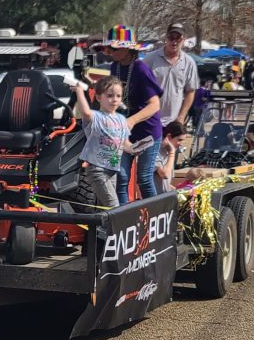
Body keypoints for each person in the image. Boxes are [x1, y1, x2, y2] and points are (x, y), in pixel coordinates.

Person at [103, 24, 163, 204]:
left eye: (114, 47)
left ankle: (154, 217)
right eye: (109, 47)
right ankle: (124, 221)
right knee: (121, 178)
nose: (110, 51)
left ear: (127, 49)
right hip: (124, 132)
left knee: (144, 179)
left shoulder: (141, 69)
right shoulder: (114, 67)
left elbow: (155, 105)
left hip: (147, 132)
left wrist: (131, 120)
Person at [67, 76, 131, 208]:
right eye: (109, 96)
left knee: (104, 208)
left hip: (112, 169)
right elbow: (85, 112)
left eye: (118, 96)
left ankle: (99, 229)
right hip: (97, 169)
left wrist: (137, 148)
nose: (114, 99)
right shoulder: (96, 117)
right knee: (113, 207)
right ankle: (110, 229)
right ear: (98, 98)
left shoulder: (121, 119)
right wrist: (79, 91)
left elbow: (125, 144)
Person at [146, 23, 198, 127]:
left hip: (173, 123)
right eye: (171, 37)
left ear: (183, 40)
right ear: (166, 38)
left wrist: (181, 118)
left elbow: (191, 91)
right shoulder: (150, 59)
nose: (174, 42)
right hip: (150, 120)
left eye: (178, 38)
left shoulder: (189, 63)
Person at [154, 121, 188, 194]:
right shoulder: (155, 151)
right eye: (179, 140)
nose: (181, 144)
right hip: (154, 198)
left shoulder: (168, 151)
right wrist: (172, 151)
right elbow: (165, 174)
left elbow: (166, 183)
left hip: (164, 196)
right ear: (169, 137)